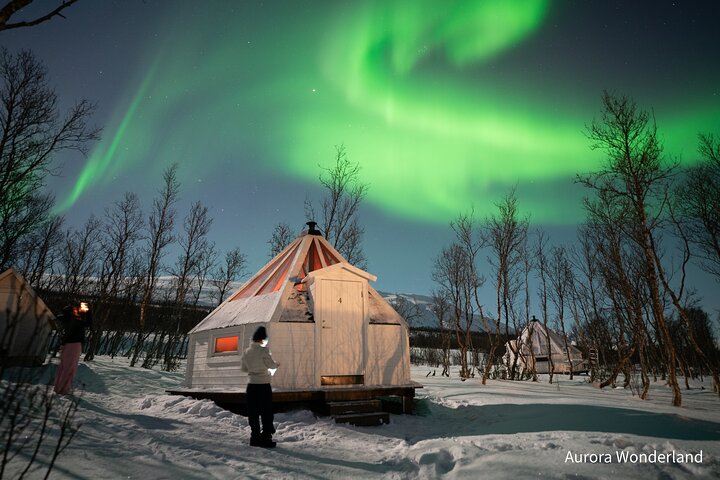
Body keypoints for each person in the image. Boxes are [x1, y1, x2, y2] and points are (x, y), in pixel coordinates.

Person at [241, 326, 279, 448]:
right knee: (266, 412)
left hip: (251, 386)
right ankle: (266, 437)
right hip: (263, 385)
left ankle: (255, 437)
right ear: (262, 339)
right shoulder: (264, 351)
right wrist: (276, 364)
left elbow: (244, 368)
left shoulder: (246, 352)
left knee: (253, 412)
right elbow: (271, 365)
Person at [53, 302, 92, 395]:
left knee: (62, 368)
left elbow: (60, 317)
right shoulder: (75, 321)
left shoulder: (65, 319)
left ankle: (58, 388)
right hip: (74, 345)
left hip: (65, 345)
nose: (77, 311)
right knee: (69, 368)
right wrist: (88, 311)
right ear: (71, 312)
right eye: (74, 310)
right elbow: (88, 323)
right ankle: (63, 390)